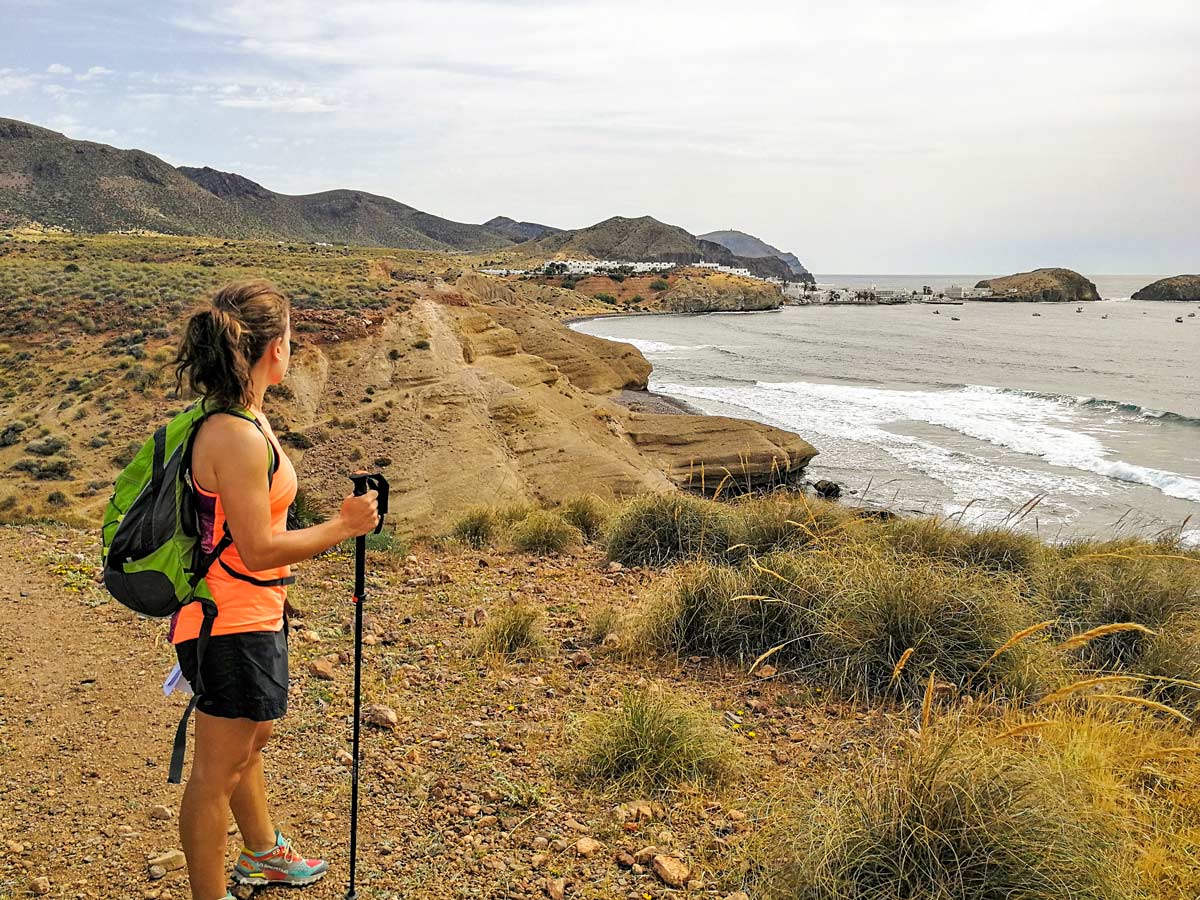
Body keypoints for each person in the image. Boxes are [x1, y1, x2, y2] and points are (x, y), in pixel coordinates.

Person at [170, 280, 379, 900]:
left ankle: (263, 853)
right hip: (226, 622)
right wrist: (343, 526)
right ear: (273, 349)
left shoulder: (245, 417)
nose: (294, 349)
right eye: (290, 338)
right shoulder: (233, 434)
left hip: (248, 610)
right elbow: (258, 547)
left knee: (248, 739)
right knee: (215, 771)